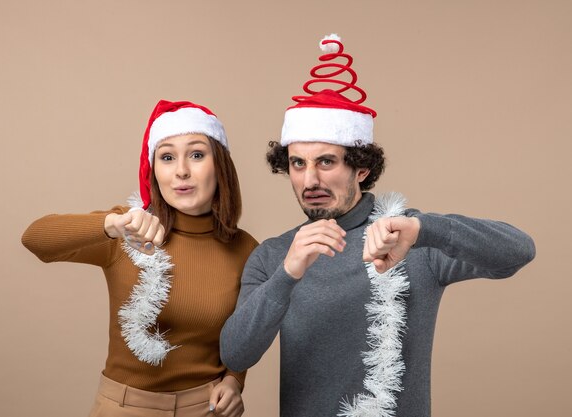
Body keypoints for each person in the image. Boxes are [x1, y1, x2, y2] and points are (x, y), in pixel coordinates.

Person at [220, 35, 536, 417]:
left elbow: (518, 251)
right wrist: (287, 274)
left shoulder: (409, 237)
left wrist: (424, 229)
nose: (309, 181)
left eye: (326, 162)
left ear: (361, 168)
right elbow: (236, 352)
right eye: (298, 164)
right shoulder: (272, 255)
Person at [22, 99, 258, 417]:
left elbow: (245, 334)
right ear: (154, 170)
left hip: (207, 409)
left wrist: (233, 381)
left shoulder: (245, 250)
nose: (182, 171)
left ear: (220, 166)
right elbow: (35, 238)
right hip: (124, 408)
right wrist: (110, 225)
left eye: (197, 155)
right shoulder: (129, 229)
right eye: (167, 157)